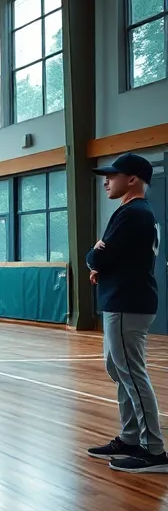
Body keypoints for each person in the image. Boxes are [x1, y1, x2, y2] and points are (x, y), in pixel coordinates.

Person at [85, 153, 167, 474]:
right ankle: (131, 437)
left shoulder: (133, 214)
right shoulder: (132, 212)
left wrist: (96, 258)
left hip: (127, 302)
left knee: (131, 373)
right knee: (119, 370)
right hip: (123, 299)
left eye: (112, 175)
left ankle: (154, 450)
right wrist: (100, 260)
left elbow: (98, 255)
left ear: (132, 179)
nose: (106, 180)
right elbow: (107, 256)